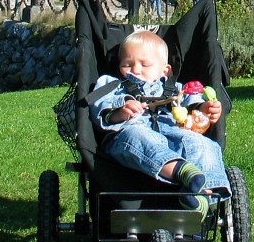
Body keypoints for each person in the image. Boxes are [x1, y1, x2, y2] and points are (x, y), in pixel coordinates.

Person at [89, 31, 230, 214]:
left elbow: (191, 99)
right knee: (139, 137)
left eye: (144, 64)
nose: (135, 70)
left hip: (171, 131)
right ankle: (184, 172)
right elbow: (100, 107)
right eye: (127, 64)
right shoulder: (113, 84)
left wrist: (203, 108)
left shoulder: (174, 89)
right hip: (130, 135)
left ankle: (201, 199)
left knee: (203, 144)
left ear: (166, 71)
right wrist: (119, 111)